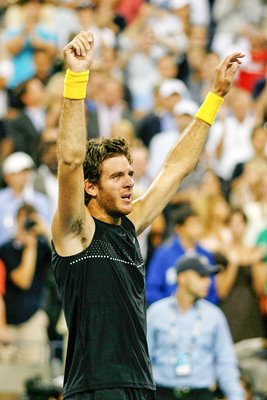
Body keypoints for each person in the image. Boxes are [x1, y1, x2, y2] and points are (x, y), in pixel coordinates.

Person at [51, 30, 244, 400]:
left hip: (142, 387)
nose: (129, 183)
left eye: (131, 175)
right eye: (116, 176)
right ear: (90, 186)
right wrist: (77, 78)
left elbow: (175, 169)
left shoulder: (129, 224)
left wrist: (215, 97)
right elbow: (71, 159)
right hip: (95, 389)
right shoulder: (73, 231)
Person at [147, 253, 244, 400]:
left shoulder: (214, 316)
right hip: (161, 392)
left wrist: (236, 396)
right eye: (201, 276)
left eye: (209, 276)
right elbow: (143, 359)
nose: (208, 281)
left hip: (200, 394)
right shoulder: (156, 313)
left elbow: (225, 361)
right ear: (182, 278)